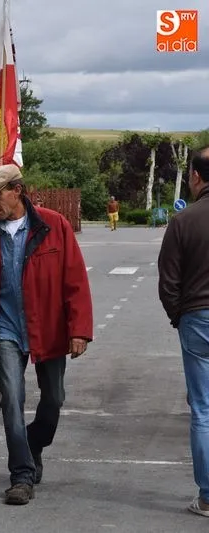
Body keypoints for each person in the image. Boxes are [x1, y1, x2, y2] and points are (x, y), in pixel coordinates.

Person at [0, 164, 93, 506]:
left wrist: (79, 329)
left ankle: (33, 442)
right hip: (4, 329)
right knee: (11, 401)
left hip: (47, 327)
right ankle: (21, 475)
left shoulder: (54, 226)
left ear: (17, 191)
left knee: (54, 401)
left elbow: (75, 280)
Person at [158, 145, 209, 518]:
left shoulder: (184, 220)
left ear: (194, 177)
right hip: (194, 315)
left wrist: (181, 316)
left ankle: (208, 497)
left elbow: (168, 281)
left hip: (198, 318)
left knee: (203, 409)